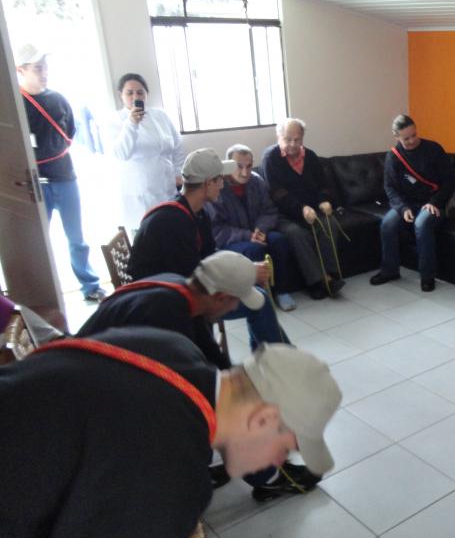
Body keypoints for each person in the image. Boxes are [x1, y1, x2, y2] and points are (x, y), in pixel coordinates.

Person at [0, 326, 342, 538]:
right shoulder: (172, 474)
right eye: (285, 449)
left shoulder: (171, 347)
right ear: (263, 419)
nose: (278, 463)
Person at [127, 148, 287, 352]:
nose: (223, 184)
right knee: (260, 301)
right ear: (207, 183)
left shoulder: (198, 213)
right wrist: (245, 274)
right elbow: (194, 282)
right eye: (219, 179)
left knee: (258, 296)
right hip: (163, 304)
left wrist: (247, 269)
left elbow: (208, 259)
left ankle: (275, 361)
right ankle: (278, 362)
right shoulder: (172, 221)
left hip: (185, 290)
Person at [15, 43, 104, 302]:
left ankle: (90, 285)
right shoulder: (15, 103)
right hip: (35, 182)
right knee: (37, 242)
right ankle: (39, 293)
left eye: (45, 67)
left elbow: (70, 131)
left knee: (77, 238)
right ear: (21, 70)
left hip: (65, 177)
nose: (44, 73)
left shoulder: (58, 99)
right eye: (37, 68)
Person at [76, 251, 264, 369]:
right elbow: (184, 379)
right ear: (220, 297)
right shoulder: (166, 316)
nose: (235, 307)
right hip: (83, 376)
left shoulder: (183, 291)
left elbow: (208, 350)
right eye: (235, 301)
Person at [370, 114, 455, 292]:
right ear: (396, 137)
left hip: (434, 202)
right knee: (387, 224)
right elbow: (390, 187)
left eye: (414, 135)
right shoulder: (393, 157)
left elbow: (450, 181)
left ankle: (427, 276)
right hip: (407, 203)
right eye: (406, 138)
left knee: (421, 224)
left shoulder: (433, 149)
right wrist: (402, 208)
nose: (412, 141)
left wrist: (435, 201)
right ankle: (390, 270)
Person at [206, 144, 297, 311]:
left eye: (249, 166)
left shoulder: (256, 181)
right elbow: (216, 230)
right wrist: (248, 235)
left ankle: (282, 291)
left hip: (257, 232)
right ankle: (260, 298)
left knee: (279, 240)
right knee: (254, 250)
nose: (245, 172)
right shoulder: (217, 188)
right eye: (239, 166)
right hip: (231, 241)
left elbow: (269, 210)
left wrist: (260, 229)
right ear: (228, 166)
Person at [262, 119, 345, 300]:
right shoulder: (271, 158)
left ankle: (331, 274)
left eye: (297, 139)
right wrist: (301, 208)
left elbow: (323, 185)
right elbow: (277, 193)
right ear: (278, 137)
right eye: (287, 139)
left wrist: (324, 201)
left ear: (302, 138)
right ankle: (317, 282)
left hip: (311, 210)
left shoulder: (311, 156)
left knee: (329, 222)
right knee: (296, 233)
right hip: (284, 214)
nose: (293, 144)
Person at [103, 72, 184, 231]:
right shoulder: (115, 121)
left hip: (167, 186)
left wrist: (178, 172)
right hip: (140, 192)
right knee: (148, 234)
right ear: (121, 95)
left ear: (147, 94)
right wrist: (132, 124)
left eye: (140, 92)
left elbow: (177, 146)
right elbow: (121, 153)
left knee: (172, 231)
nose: (135, 97)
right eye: (130, 93)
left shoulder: (160, 115)